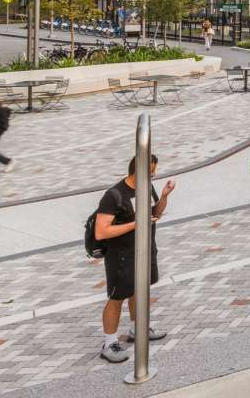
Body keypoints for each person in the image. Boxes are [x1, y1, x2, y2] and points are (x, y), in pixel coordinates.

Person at [94, 154, 175, 363]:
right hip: (121, 256)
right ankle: (109, 342)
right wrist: (136, 224)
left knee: (140, 290)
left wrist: (164, 196)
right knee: (116, 298)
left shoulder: (147, 187)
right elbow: (101, 232)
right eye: (150, 172)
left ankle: (137, 328)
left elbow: (155, 212)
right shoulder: (114, 195)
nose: (153, 175)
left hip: (146, 249)